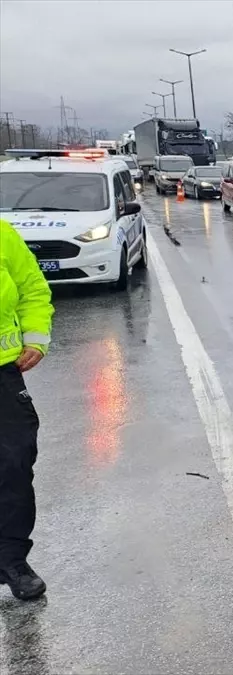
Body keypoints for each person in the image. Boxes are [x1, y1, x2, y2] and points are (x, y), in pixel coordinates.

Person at [0, 217, 53, 601]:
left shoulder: (2, 233)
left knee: (16, 463)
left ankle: (12, 560)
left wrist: (36, 337)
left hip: (3, 372)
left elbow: (32, 288)